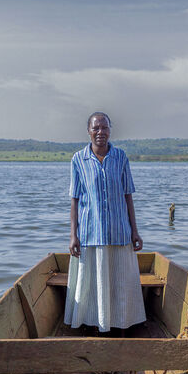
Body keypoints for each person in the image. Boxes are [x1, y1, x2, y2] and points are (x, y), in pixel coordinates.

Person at [66, 112, 146, 333]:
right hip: (91, 234)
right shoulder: (78, 160)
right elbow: (74, 200)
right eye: (96, 128)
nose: (100, 132)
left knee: (120, 281)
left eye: (104, 127)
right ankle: (94, 324)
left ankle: (121, 324)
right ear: (89, 131)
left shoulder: (120, 157)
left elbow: (128, 195)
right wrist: (73, 235)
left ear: (110, 129)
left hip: (120, 232)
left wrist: (135, 232)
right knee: (92, 284)